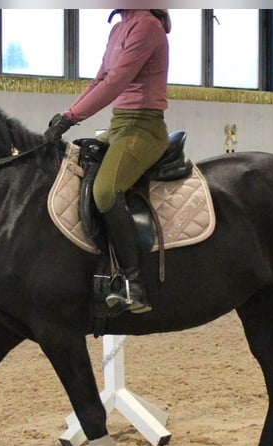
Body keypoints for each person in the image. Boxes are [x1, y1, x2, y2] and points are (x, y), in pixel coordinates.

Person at [44, 9, 171, 315]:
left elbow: (116, 81)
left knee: (105, 192)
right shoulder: (119, 29)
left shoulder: (147, 26)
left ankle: (133, 282)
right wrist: (67, 113)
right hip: (118, 126)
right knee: (70, 164)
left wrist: (72, 117)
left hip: (144, 127)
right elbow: (100, 79)